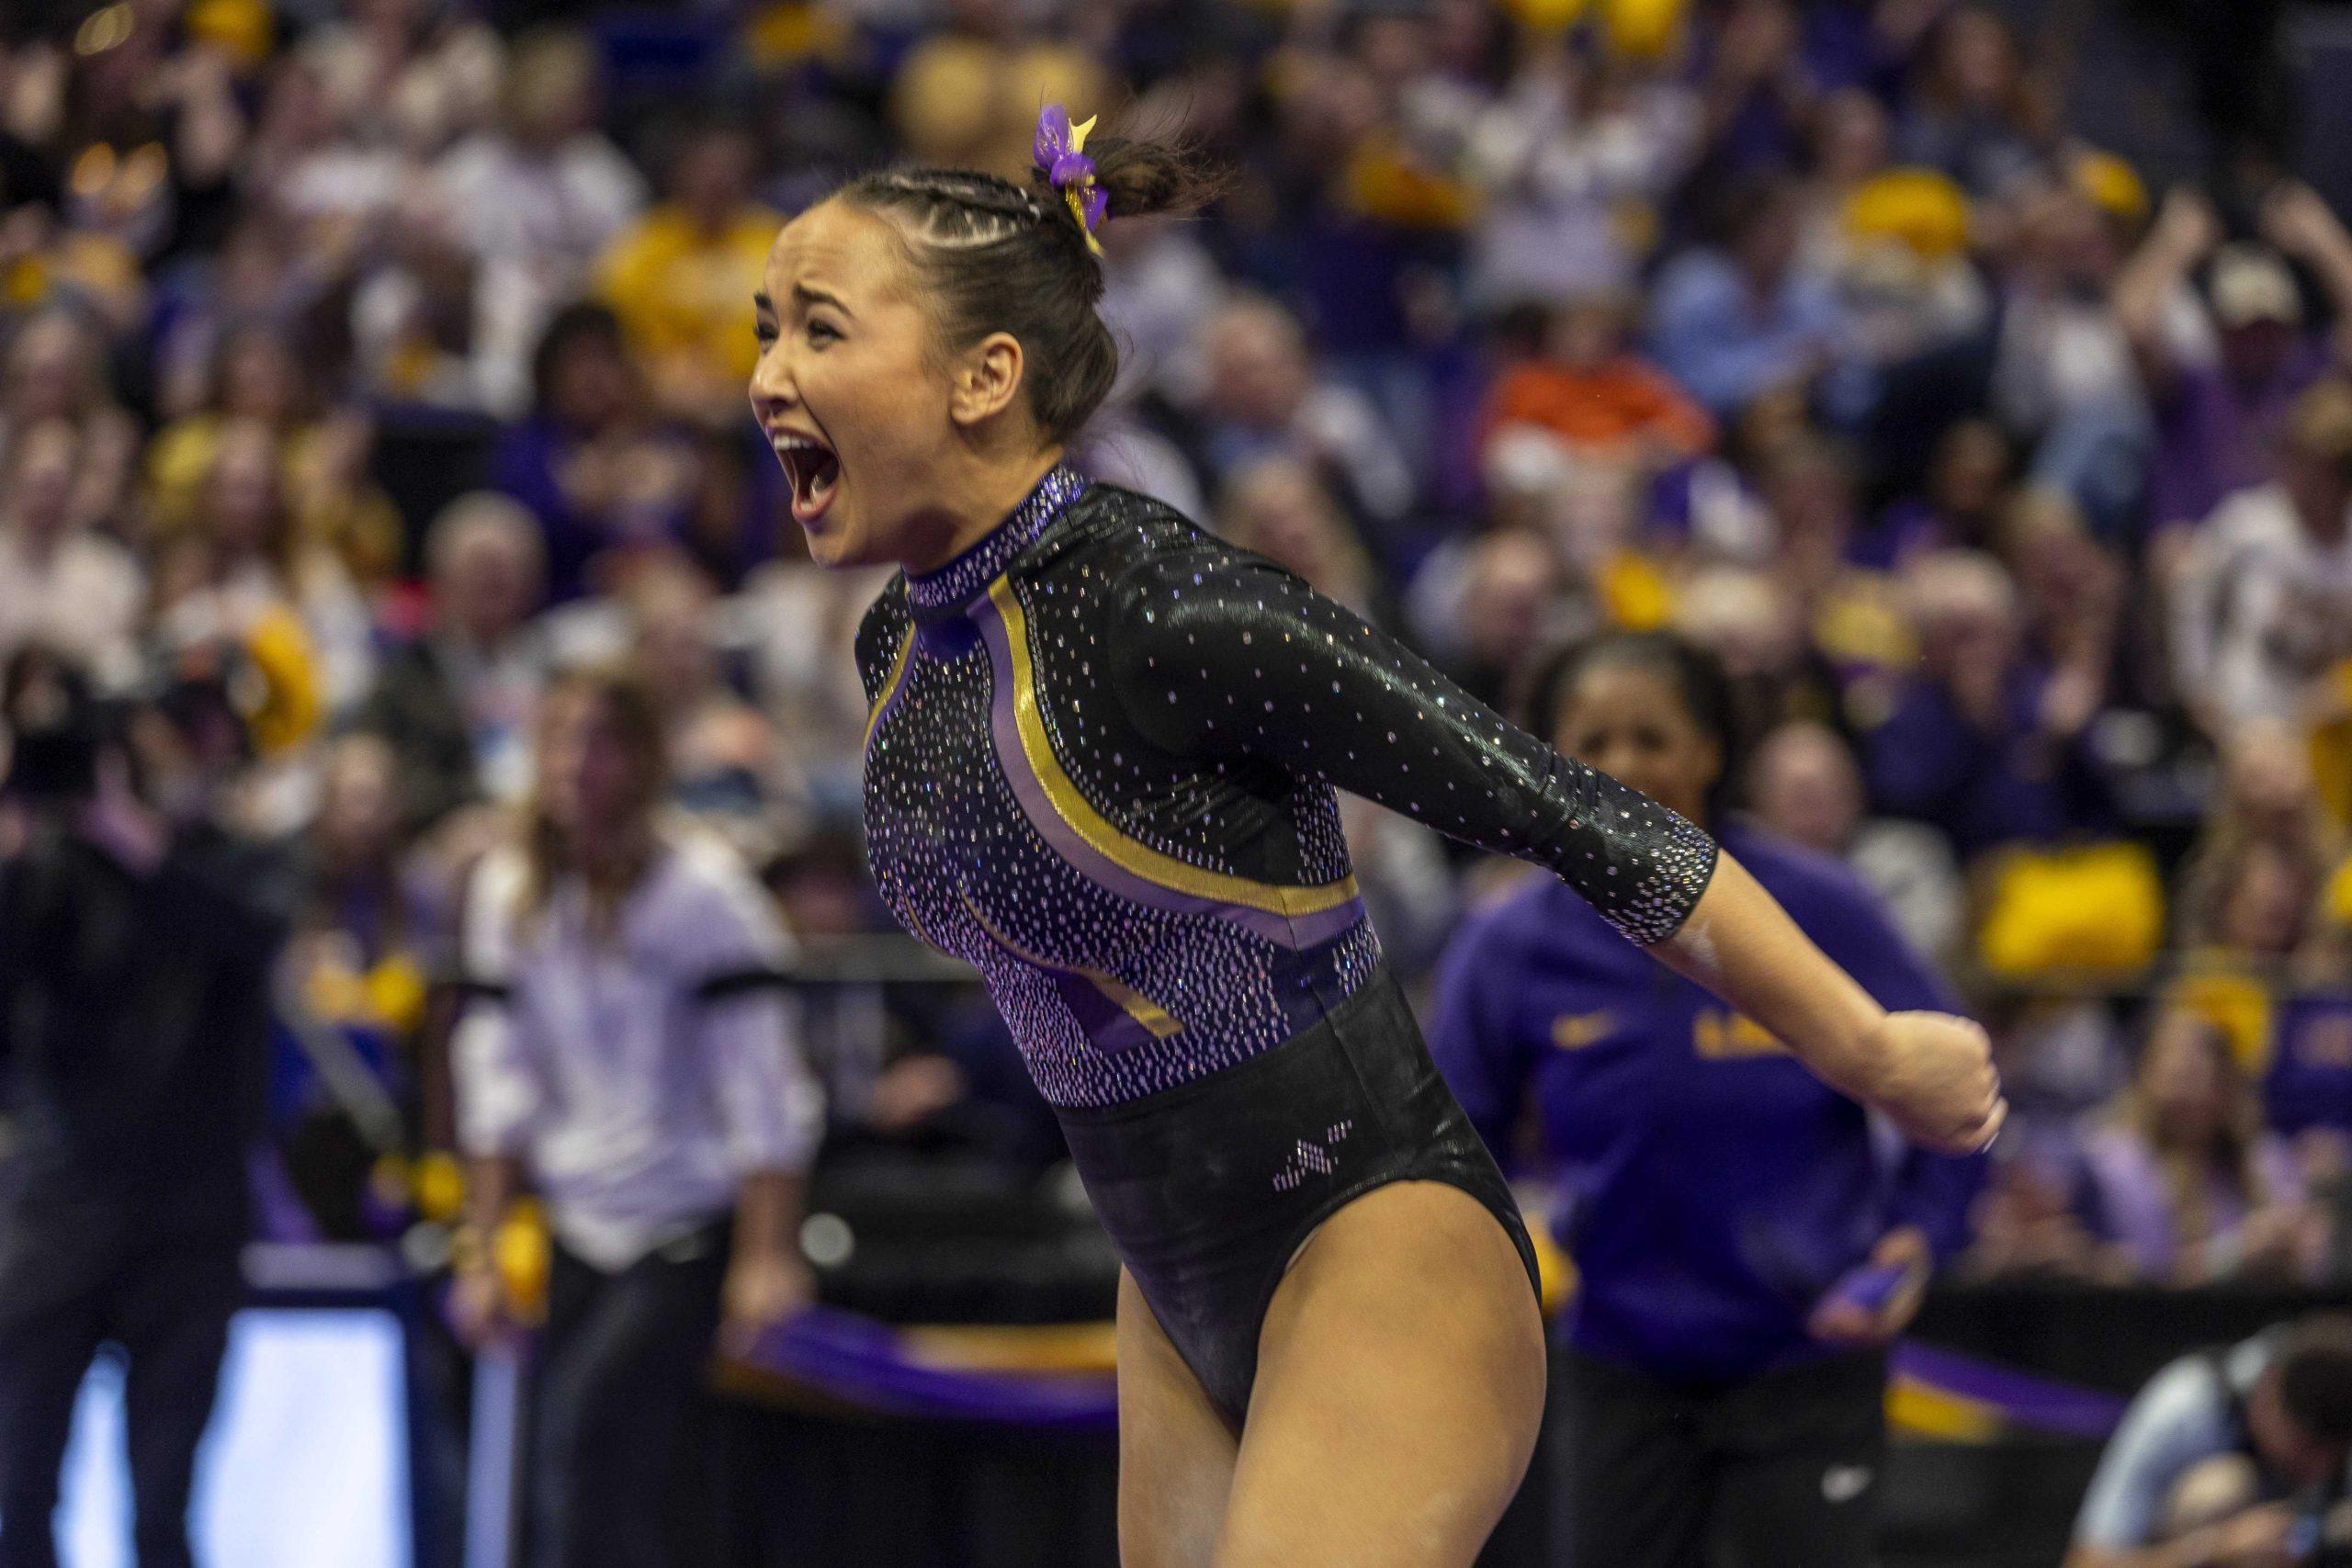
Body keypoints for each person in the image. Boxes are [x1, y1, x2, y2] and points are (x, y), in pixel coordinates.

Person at [746, 107, 2002, 1564]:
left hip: (1372, 1236)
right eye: (765, 330)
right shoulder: (903, 645)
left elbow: (1572, 806)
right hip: (1170, 1278)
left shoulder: (1171, 611)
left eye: (819, 331)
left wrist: (1868, 1047)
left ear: (986, 375)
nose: (769, 376)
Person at [1427, 631, 1986, 1568]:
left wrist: (1918, 1236)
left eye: (1651, 737)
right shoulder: (1510, 944)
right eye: (1590, 742)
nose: (1620, 766)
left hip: (1806, 1357)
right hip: (1618, 1363)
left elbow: (1957, 1081)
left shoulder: (1815, 905)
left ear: (1709, 750)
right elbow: (1445, 1142)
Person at [449, 664, 824, 1568]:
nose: (580, 763)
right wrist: (483, 1246)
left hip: (682, 1229)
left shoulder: (707, 895)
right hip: (573, 1225)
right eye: (563, 738)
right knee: (597, 1488)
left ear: (646, 761)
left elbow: (763, 1083)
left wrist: (767, 1255)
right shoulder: (506, 894)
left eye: (605, 740)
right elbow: (493, 1080)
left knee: (581, 1461)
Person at [0, 645, 291, 1568]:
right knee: (18, 1501)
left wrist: (138, 843)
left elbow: (255, 934)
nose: (185, 746)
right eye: (170, 722)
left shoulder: (248, 855)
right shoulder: (50, 863)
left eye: (207, 727)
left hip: (190, 1226)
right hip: (59, 1217)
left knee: (163, 1513)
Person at [2068, 1313, 2352, 1568]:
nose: (2320, 1472)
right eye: (2305, 1449)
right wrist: (2216, 1548)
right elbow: (2086, 1562)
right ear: (2269, 1396)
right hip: (2185, 1545)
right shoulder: (2185, 1407)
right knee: (2220, 1490)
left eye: (2336, 1456)